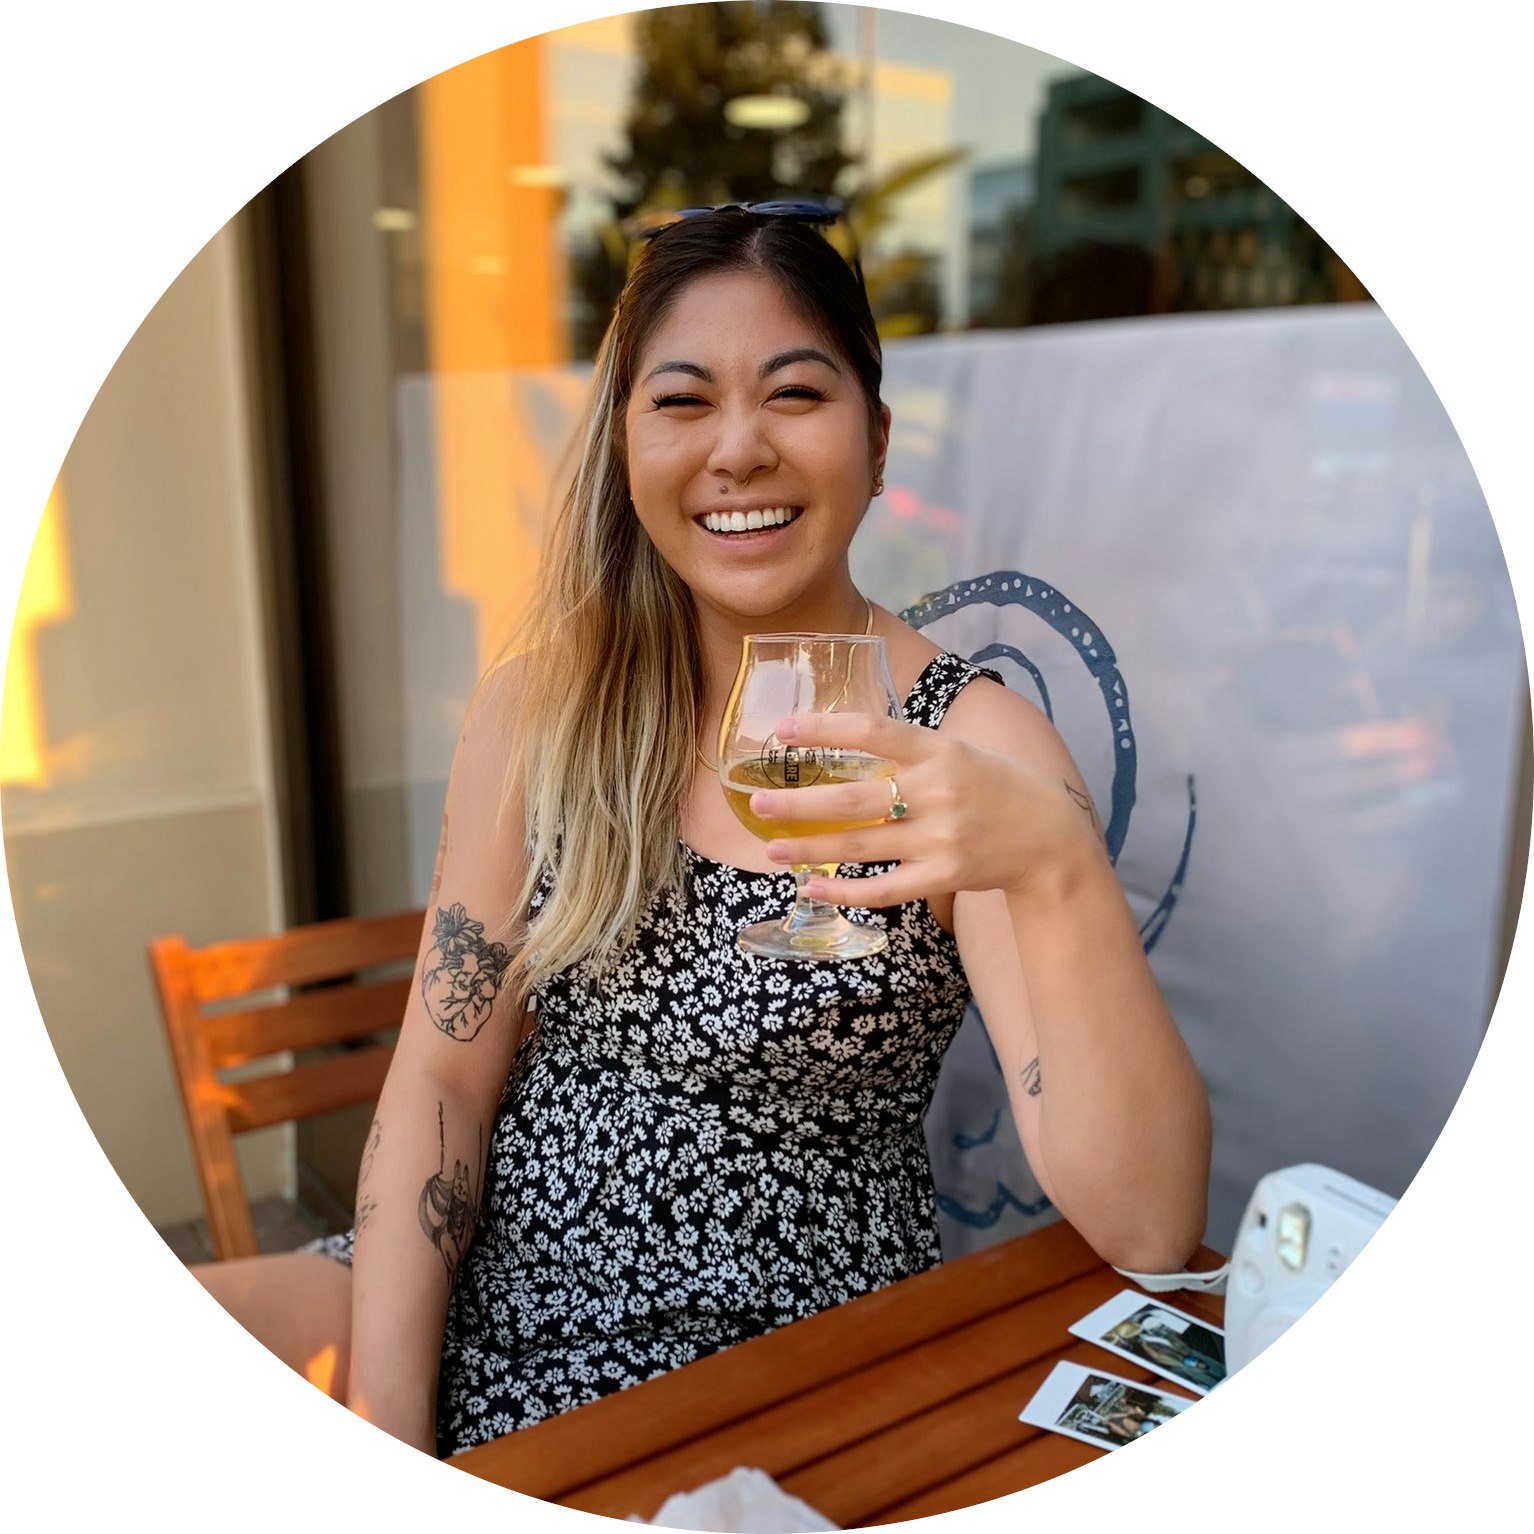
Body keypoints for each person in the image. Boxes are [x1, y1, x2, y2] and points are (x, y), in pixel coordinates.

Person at [192, 203, 1212, 1460]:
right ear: (627, 445)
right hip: (469, 1274)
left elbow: (1150, 1228)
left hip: (756, 1358)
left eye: (795, 394)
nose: (739, 449)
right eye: (681, 401)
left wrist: (1056, 868)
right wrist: (393, 1424)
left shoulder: (969, 745)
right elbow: (442, 1077)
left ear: (875, 440)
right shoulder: (544, 708)